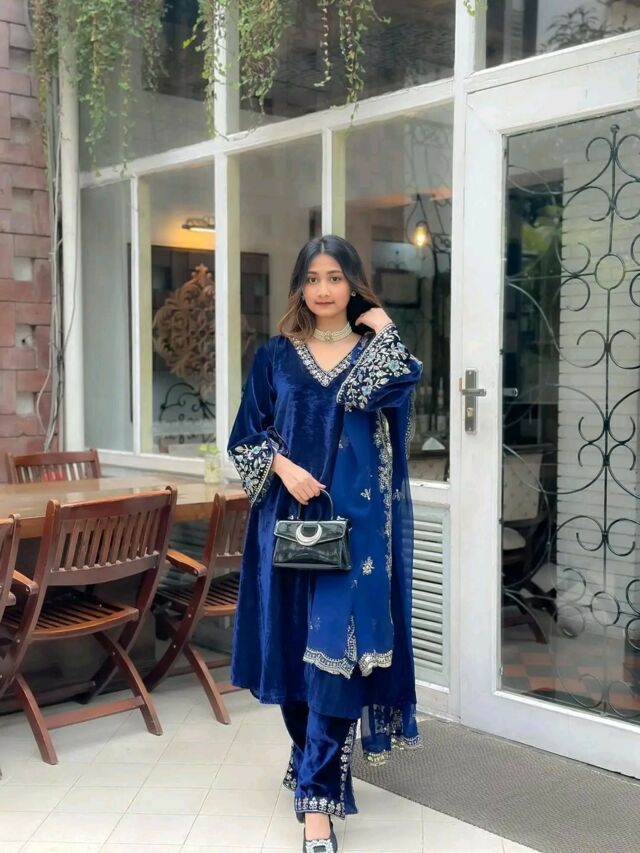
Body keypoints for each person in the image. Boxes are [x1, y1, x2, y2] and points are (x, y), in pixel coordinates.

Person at [227, 235, 423, 853]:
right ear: (299, 287)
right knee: (292, 655)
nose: (323, 289)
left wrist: (383, 326)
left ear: (354, 284)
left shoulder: (373, 355)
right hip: (287, 523)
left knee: (337, 658)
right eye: (312, 278)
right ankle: (311, 755)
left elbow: (393, 385)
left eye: (335, 277)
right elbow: (244, 437)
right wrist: (283, 469)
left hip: (357, 535)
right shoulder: (275, 356)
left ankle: (315, 802)